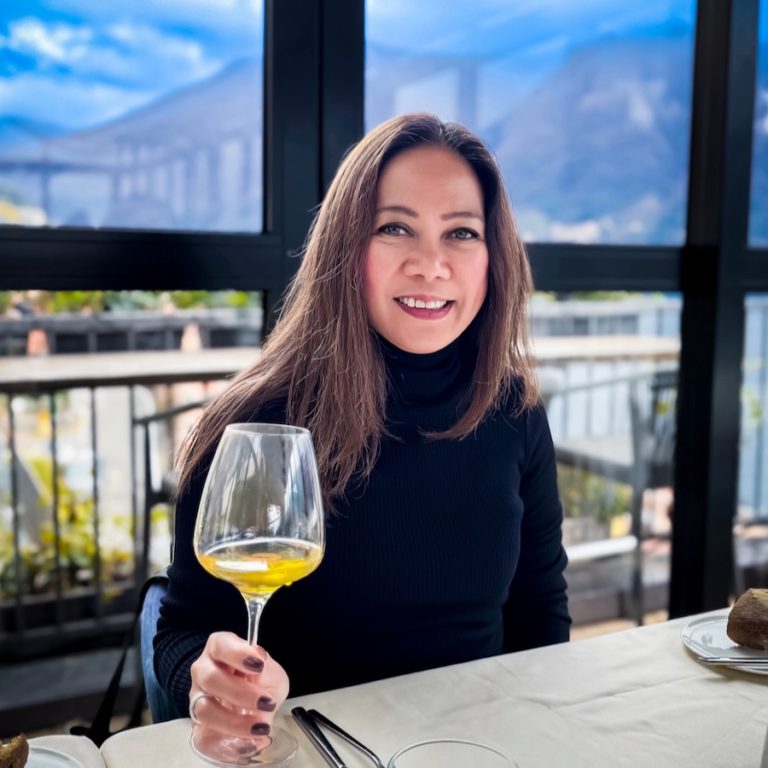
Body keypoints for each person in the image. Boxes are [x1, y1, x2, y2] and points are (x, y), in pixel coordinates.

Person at [154, 113, 570, 745]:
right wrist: (208, 682)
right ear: (346, 249)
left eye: (461, 232)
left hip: (474, 744)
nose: (431, 264)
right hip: (310, 747)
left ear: (494, 257)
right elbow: (181, 630)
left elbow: (541, 612)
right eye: (395, 227)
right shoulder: (258, 422)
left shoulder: (514, 408)